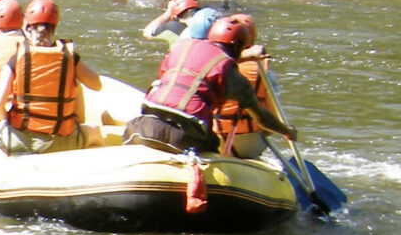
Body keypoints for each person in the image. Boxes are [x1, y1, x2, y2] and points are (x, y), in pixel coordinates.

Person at [124, 15, 295, 154]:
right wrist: (286, 130)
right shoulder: (232, 73)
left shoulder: (181, 47)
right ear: (239, 46)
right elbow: (263, 119)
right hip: (185, 135)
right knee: (213, 148)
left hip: (143, 125)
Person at [0, 0, 103, 153]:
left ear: (28, 27)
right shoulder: (69, 57)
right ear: (54, 26)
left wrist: (6, 119)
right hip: (59, 142)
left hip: (18, 140)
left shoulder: (17, 58)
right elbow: (96, 85)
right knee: (95, 132)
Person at [202, 15, 290, 158]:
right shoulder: (262, 70)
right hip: (248, 142)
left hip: (212, 136)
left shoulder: (207, 63)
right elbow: (273, 116)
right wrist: (285, 131)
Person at [139, 0, 218, 44]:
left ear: (176, 15)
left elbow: (147, 32)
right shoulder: (212, 22)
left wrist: (168, 13)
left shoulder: (173, 27)